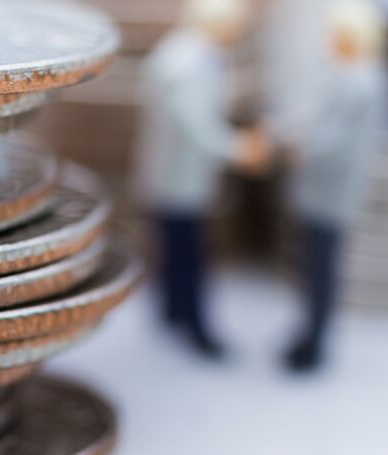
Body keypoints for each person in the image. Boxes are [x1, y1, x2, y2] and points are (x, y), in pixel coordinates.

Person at [133, 0, 269, 358]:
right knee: (189, 254)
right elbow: (197, 127)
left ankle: (173, 313)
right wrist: (240, 150)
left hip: (180, 173)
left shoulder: (193, 54)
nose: (238, 32)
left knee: (176, 249)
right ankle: (195, 328)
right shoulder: (185, 63)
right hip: (178, 177)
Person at [271, 0, 388, 371]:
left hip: (333, 190)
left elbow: (335, 139)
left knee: (321, 269)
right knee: (312, 266)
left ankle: (313, 344)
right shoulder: (347, 73)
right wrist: (284, 130)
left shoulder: (363, 82)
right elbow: (312, 113)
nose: (330, 40)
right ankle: (307, 334)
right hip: (320, 188)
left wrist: (295, 148)